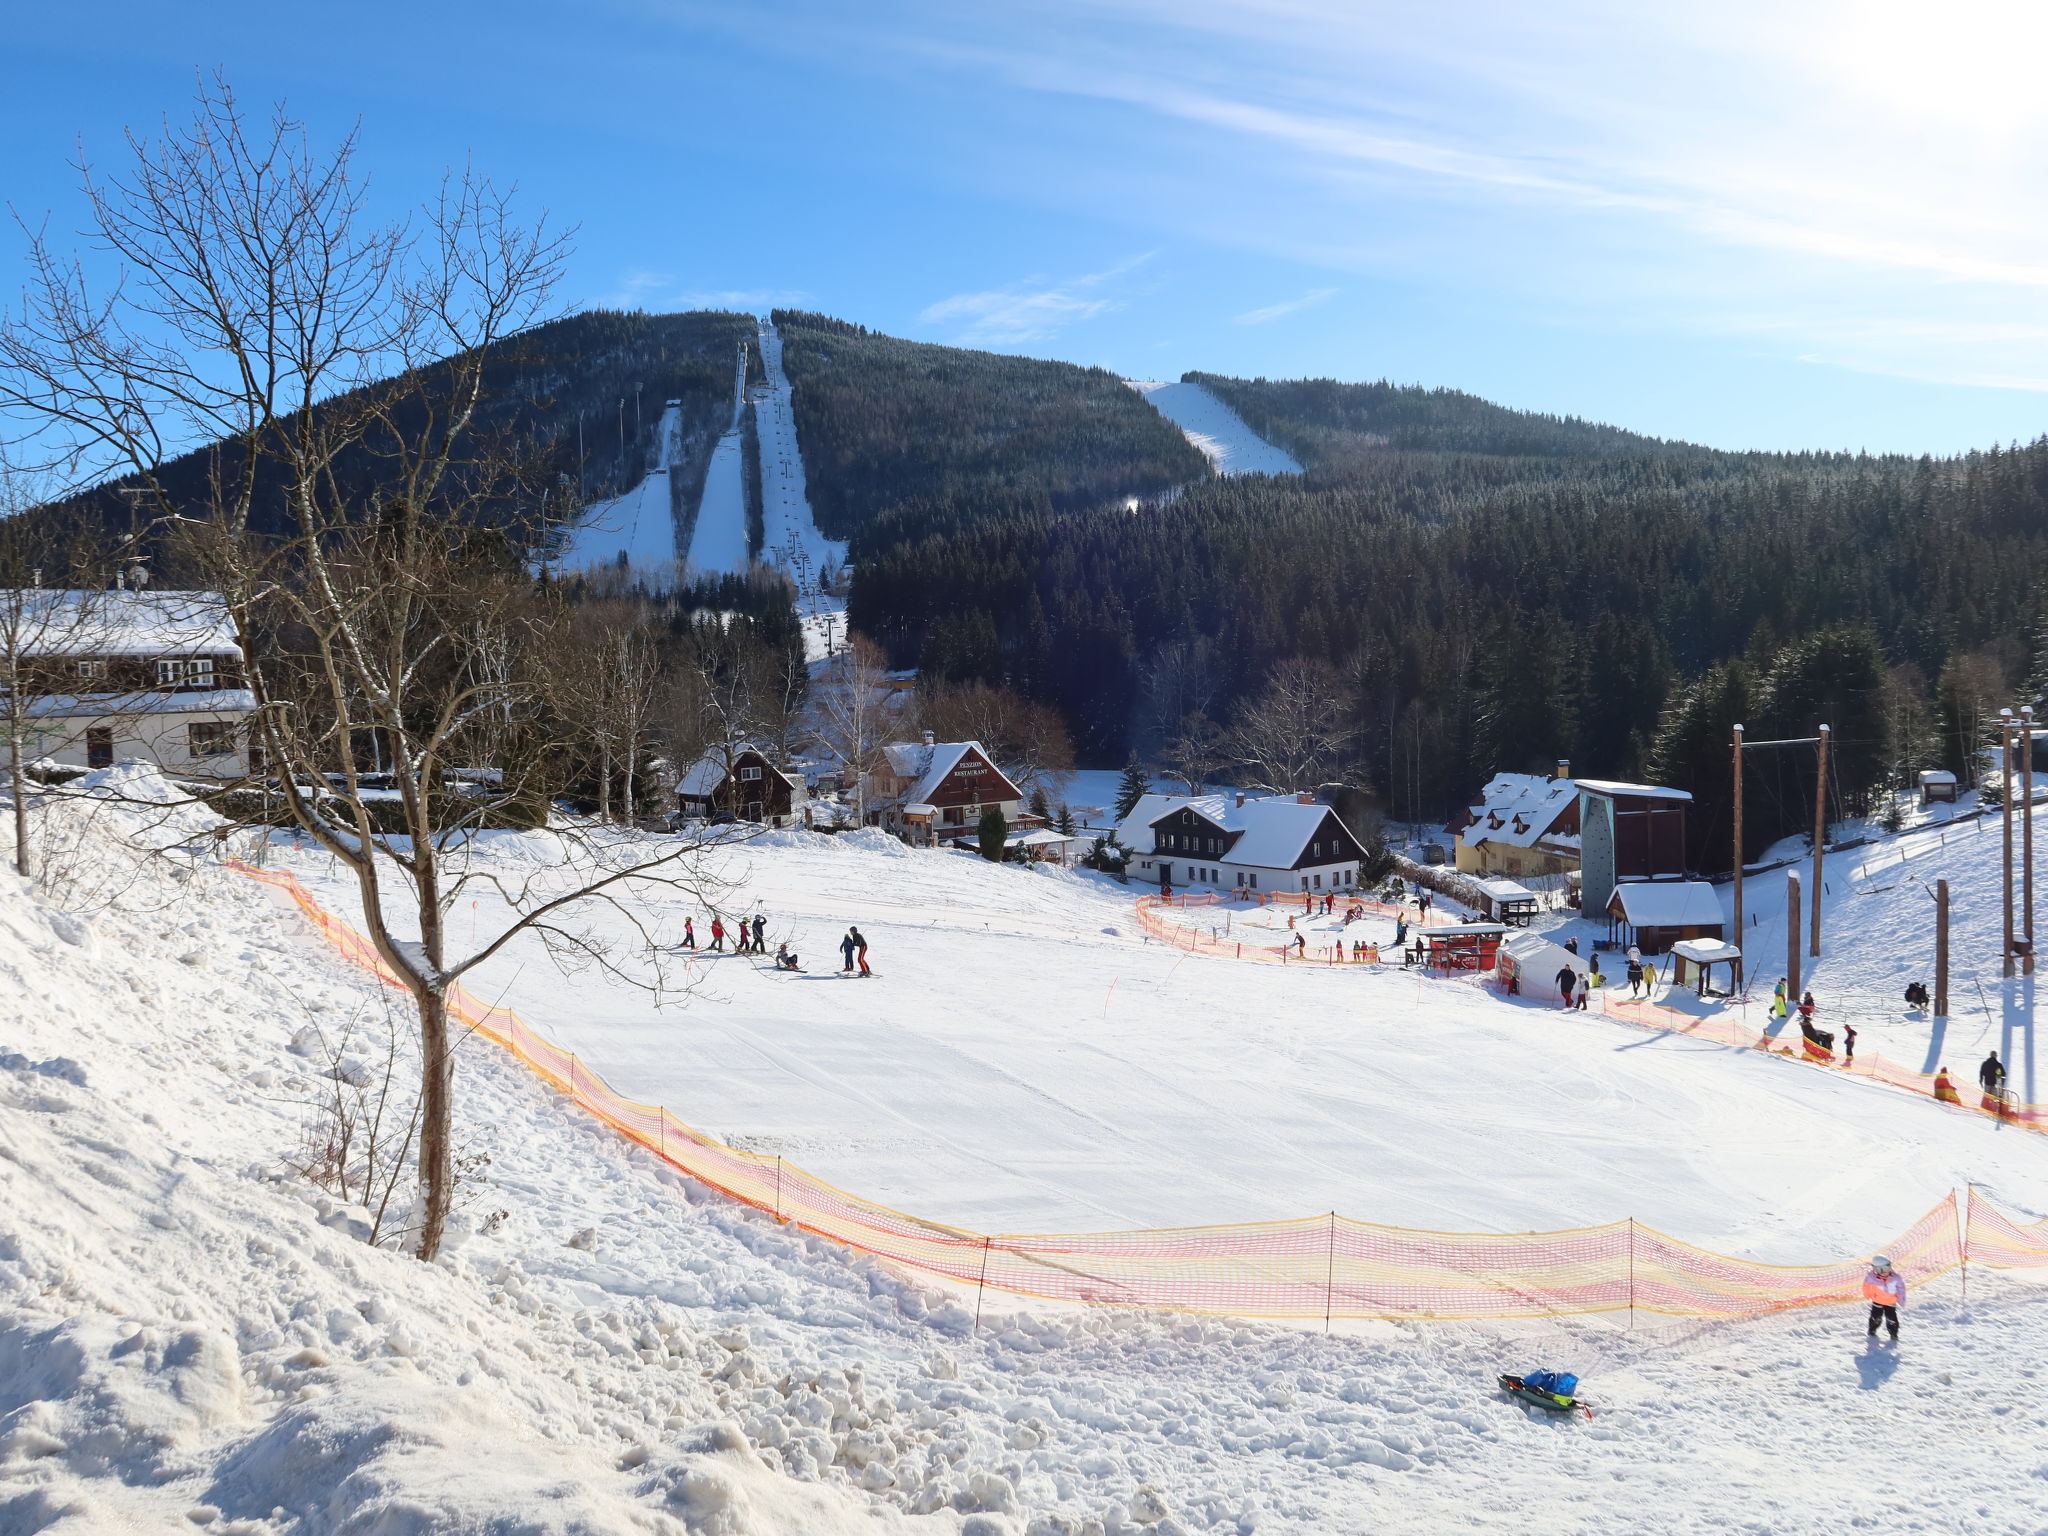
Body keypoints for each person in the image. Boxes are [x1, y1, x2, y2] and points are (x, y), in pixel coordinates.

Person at [1862, 1254, 1903, 1341]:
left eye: (1887, 1268)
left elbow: (1901, 1288)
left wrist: (1901, 1299)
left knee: (1891, 1319)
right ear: (1876, 1269)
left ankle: (1893, 1334)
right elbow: (1866, 1286)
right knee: (1875, 1317)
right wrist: (1867, 1294)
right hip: (1877, 1300)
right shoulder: (1871, 1277)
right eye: (1882, 1269)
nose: (1885, 1272)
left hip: (1891, 1302)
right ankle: (1872, 1330)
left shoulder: (1895, 1277)